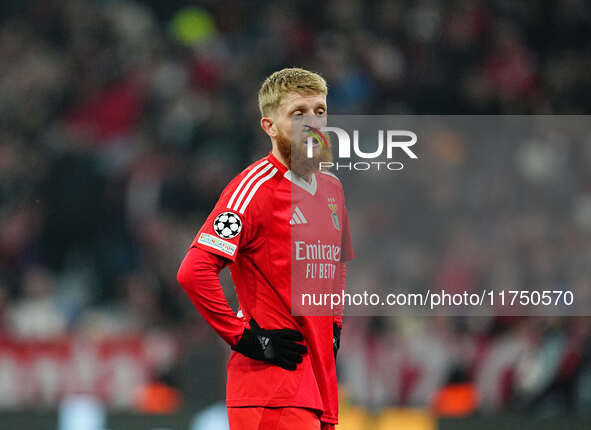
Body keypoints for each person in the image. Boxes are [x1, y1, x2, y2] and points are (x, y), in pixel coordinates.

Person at [177, 68, 354, 430]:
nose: (313, 123)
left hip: (318, 387)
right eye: (297, 113)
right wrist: (245, 338)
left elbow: (336, 263)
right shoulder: (252, 189)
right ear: (269, 126)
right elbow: (194, 270)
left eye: (319, 111)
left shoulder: (332, 188)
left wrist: (333, 325)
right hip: (272, 390)